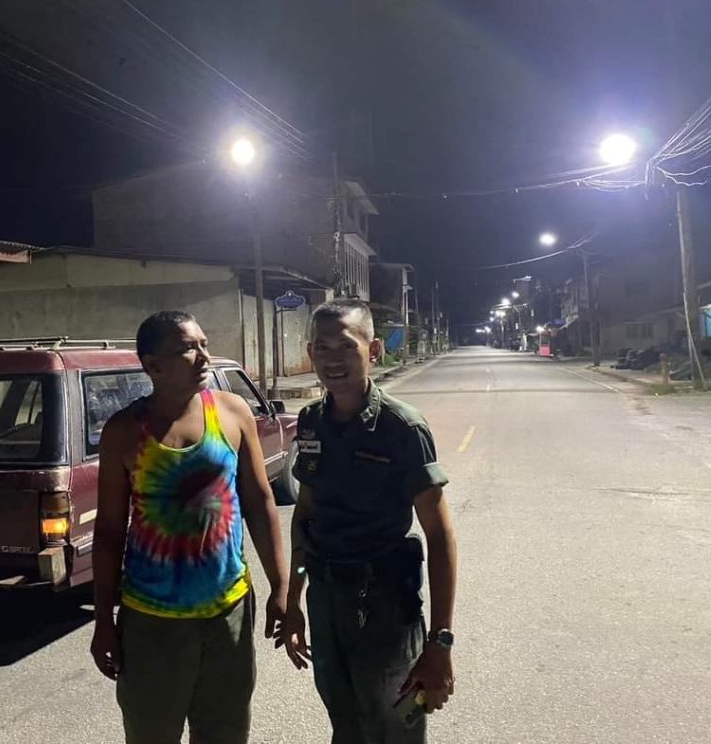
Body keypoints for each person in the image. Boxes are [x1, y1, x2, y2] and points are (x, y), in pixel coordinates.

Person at [90, 310, 289, 744]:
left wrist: (281, 586)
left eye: (204, 344)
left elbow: (260, 503)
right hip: (150, 621)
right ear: (153, 365)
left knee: (224, 734)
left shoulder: (232, 413)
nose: (203, 356)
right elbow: (108, 532)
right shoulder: (124, 432)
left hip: (228, 613)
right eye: (187, 348)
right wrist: (103, 618)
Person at [275, 299, 457, 744]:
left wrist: (440, 643)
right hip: (325, 599)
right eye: (321, 347)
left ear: (373, 350)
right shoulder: (311, 422)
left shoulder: (402, 427)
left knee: (394, 727)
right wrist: (294, 600)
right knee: (345, 722)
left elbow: (439, 535)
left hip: (385, 605)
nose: (332, 359)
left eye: (345, 345)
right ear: (310, 353)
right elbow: (306, 516)